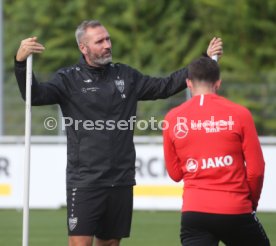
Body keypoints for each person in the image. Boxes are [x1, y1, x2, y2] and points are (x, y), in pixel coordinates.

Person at [14, 20, 223, 246]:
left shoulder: (126, 75)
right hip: (85, 180)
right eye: (99, 41)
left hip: (121, 179)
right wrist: (21, 62)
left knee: (111, 244)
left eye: (108, 39)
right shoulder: (68, 79)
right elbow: (34, 95)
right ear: (83, 48)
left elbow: (165, 86)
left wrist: (204, 58)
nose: (107, 45)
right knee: (80, 244)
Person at [163, 57, 270, 246]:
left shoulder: (172, 118)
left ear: (188, 83)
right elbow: (257, 169)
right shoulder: (240, 114)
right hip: (235, 209)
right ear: (218, 83)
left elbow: (175, 174)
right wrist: (250, 202)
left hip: (194, 212)